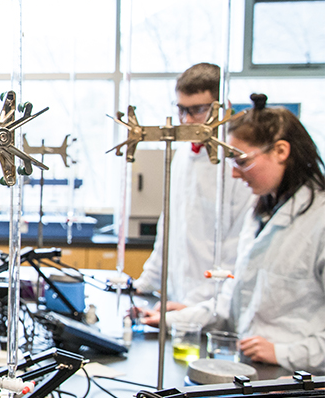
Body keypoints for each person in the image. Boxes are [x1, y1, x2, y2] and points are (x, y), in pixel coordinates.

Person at [139, 94, 325, 374]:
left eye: (241, 161)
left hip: (300, 382)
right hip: (257, 372)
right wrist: (177, 318)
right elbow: (233, 301)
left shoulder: (319, 221)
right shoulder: (261, 215)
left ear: (281, 151)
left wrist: (285, 352)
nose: (235, 174)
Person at [133, 63, 255, 306]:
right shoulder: (182, 155)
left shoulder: (237, 163)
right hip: (176, 302)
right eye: (181, 110)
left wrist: (197, 305)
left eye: (197, 110)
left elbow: (238, 250)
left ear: (224, 107)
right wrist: (145, 284)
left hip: (214, 305)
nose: (186, 120)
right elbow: (169, 228)